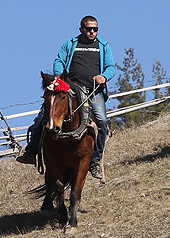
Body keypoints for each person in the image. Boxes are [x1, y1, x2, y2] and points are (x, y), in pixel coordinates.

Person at [18, 16, 115, 181]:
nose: (92, 32)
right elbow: (59, 61)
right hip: (70, 87)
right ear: (81, 29)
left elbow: (111, 67)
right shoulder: (70, 44)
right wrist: (59, 77)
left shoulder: (103, 46)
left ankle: (95, 161)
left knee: (102, 121)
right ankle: (32, 151)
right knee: (45, 115)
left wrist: (104, 77)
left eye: (95, 29)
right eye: (88, 28)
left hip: (93, 90)